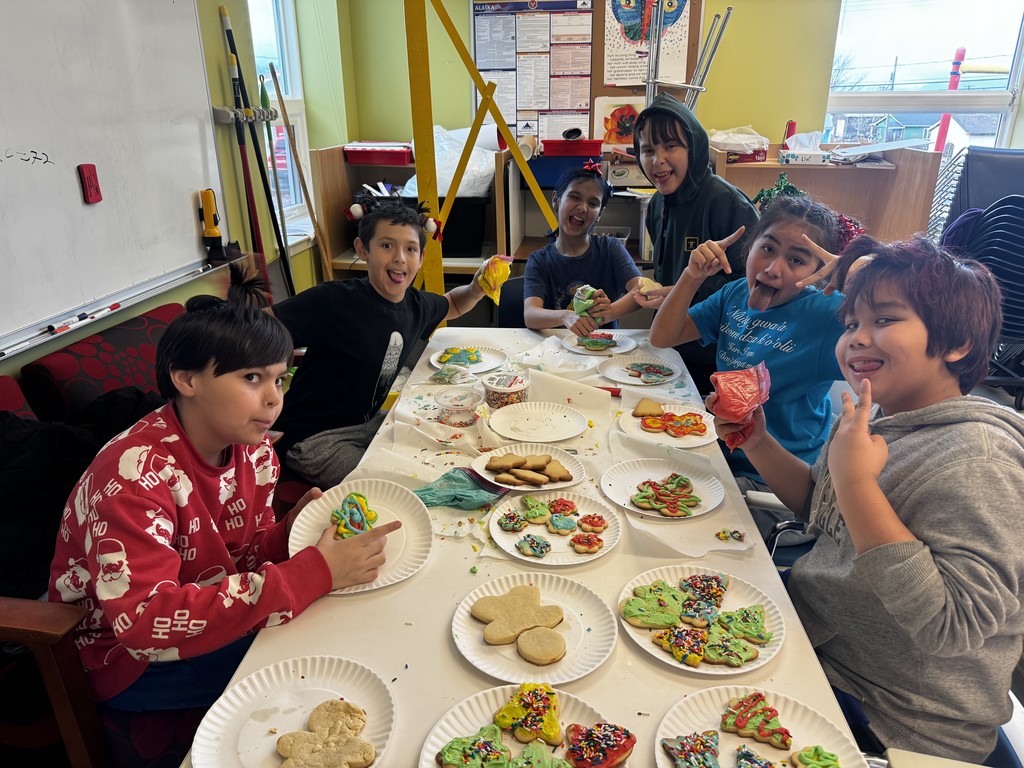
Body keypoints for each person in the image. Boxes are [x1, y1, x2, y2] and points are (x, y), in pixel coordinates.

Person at [48, 265, 401, 767]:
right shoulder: (133, 477)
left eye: (280, 378)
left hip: (202, 605)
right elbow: (144, 622)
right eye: (252, 378)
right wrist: (312, 573)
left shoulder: (255, 450)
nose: (274, 398)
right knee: (317, 666)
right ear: (186, 378)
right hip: (128, 657)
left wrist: (287, 533)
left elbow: (240, 555)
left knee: (349, 621)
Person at [711, 236, 1024, 762]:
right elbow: (823, 510)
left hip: (892, 719)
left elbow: (954, 626)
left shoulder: (979, 460)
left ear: (958, 343)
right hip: (815, 640)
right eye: (851, 323)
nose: (857, 337)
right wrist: (759, 441)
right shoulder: (876, 416)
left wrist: (858, 485)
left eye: (884, 319)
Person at [645, 196, 850, 529]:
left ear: (818, 273)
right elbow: (662, 336)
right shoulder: (735, 293)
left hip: (773, 483)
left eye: (796, 260)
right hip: (719, 454)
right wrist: (691, 276)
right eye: (767, 249)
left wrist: (864, 281)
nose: (773, 268)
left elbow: (899, 355)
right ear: (750, 247)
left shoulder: (827, 315)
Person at [271, 196, 492, 488]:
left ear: (421, 258)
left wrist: (476, 288)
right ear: (362, 249)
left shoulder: (416, 305)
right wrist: (268, 379)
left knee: (444, 442)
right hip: (314, 438)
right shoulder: (333, 300)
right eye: (387, 246)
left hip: (368, 423)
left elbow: (451, 303)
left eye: (410, 249)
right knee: (404, 483)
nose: (400, 257)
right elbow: (262, 329)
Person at [632, 91, 759, 393]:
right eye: (647, 150)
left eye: (670, 146)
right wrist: (671, 293)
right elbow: (670, 278)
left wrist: (687, 292)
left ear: (694, 146)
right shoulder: (657, 206)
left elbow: (752, 289)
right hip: (671, 354)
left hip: (717, 362)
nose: (657, 160)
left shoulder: (727, 203)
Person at [523, 160, 644, 335]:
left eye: (593, 203)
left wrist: (609, 312)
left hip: (607, 345)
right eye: (574, 197)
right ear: (556, 200)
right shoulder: (539, 260)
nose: (582, 208)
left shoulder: (610, 248)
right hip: (557, 346)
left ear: (600, 214)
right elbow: (530, 315)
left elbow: (642, 290)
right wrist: (565, 316)